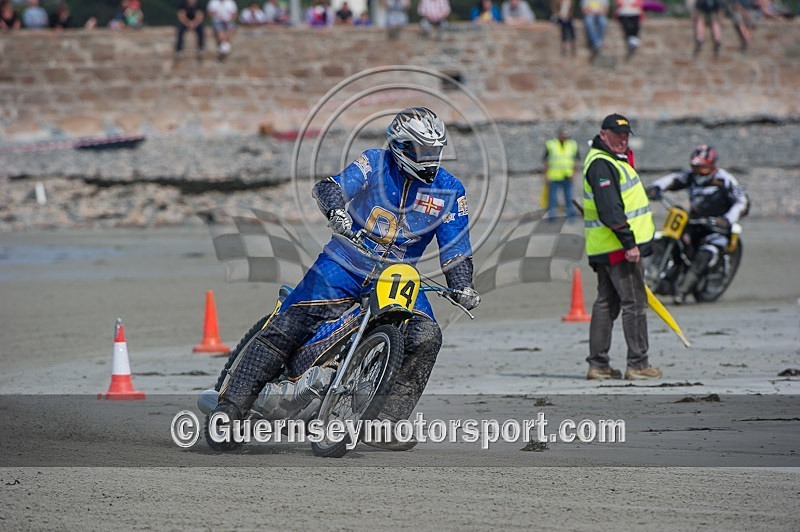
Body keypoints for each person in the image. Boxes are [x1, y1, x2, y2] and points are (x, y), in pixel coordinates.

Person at [210, 107, 481, 449]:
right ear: (400, 146)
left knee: (427, 335)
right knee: (290, 324)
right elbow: (330, 187)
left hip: (398, 276)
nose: (430, 159)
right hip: (345, 261)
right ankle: (231, 407)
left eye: (435, 151)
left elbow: (456, 247)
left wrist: (462, 285)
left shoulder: (451, 190)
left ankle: (386, 421)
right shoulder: (374, 162)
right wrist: (336, 210)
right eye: (423, 151)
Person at [582, 113, 661, 381]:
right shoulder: (602, 164)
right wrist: (629, 243)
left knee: (606, 303)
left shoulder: (611, 160)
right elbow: (610, 210)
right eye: (617, 135)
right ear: (603, 134)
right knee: (635, 304)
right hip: (618, 247)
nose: (622, 140)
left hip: (606, 246)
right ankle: (638, 364)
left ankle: (599, 365)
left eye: (626, 136)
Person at [646, 145, 749, 305]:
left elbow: (742, 201)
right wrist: (656, 188)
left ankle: (682, 290)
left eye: (703, 168)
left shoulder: (726, 180)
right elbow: (673, 179)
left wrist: (727, 219)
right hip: (694, 222)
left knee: (705, 254)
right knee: (673, 240)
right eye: (695, 167)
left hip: (716, 227)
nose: (699, 172)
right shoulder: (690, 177)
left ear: (712, 166)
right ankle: (655, 276)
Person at [543, 128, 579, 220]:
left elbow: (576, 160)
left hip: (567, 175)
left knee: (569, 197)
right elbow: (545, 161)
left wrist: (574, 174)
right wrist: (546, 175)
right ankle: (552, 216)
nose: (564, 137)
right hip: (554, 176)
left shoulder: (572, 145)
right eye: (562, 135)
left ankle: (571, 216)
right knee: (552, 198)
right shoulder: (551, 144)